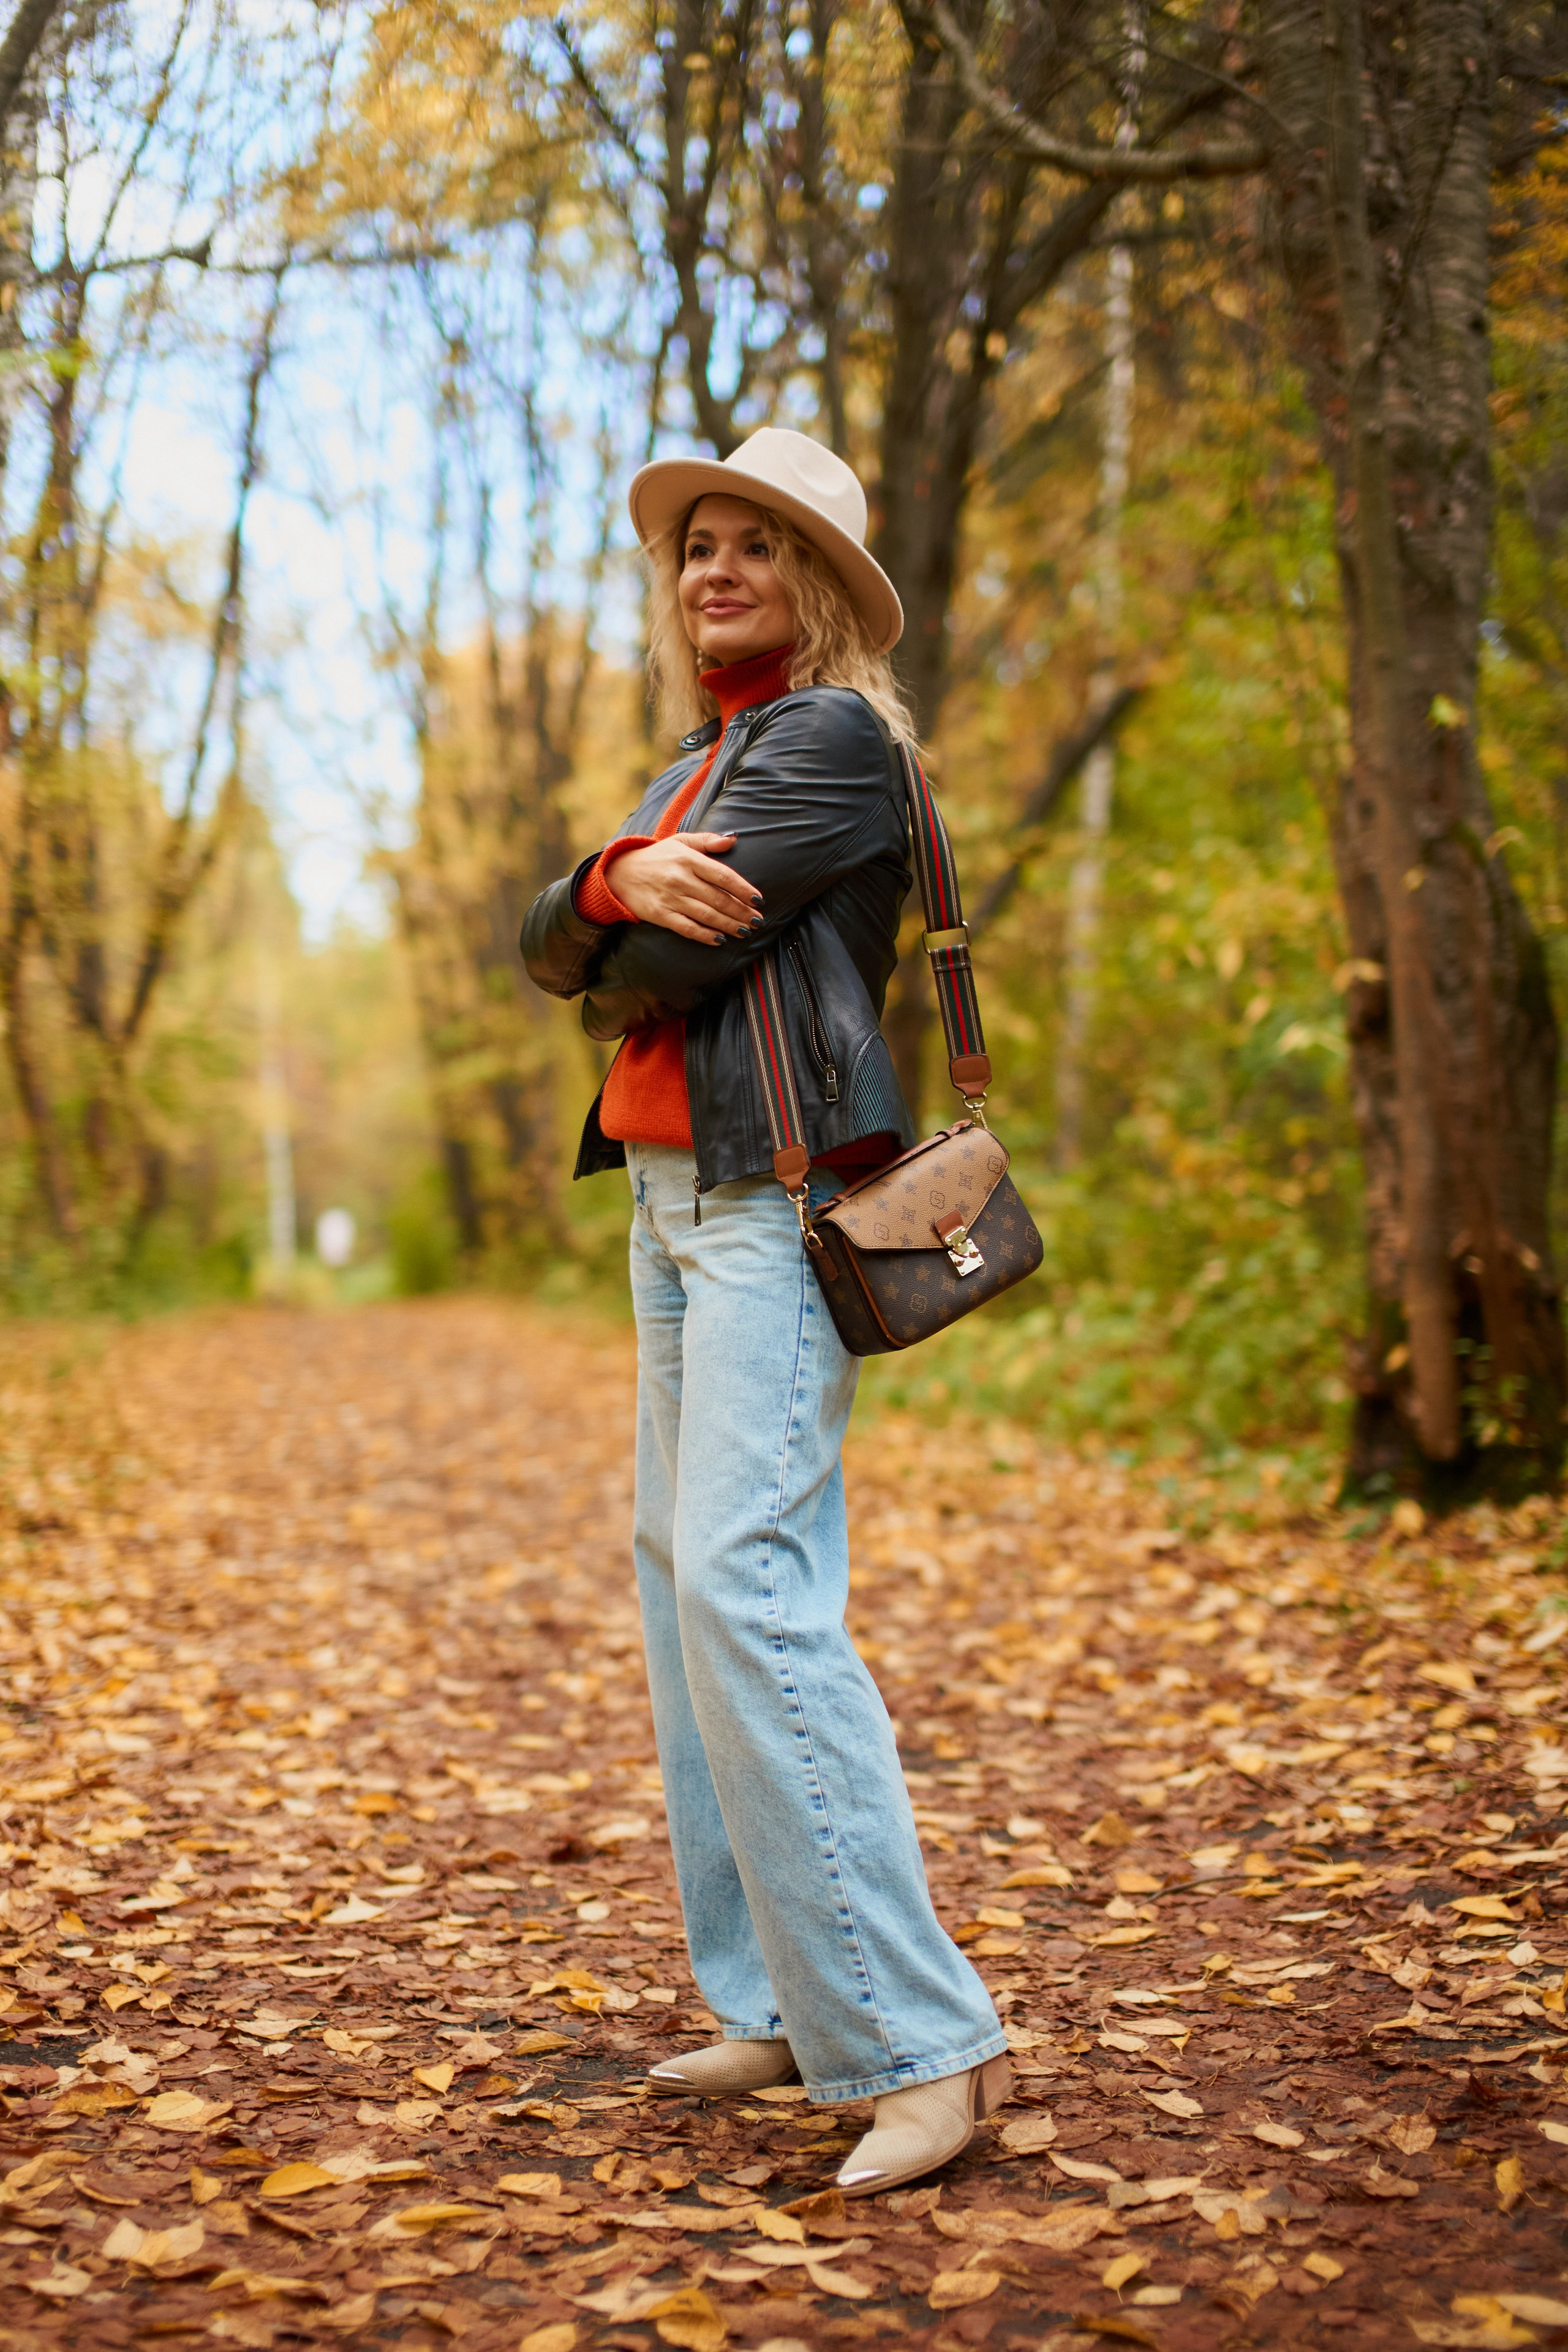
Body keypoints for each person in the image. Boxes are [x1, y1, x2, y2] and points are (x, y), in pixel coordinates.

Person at [521, 428, 1009, 2195]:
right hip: (671, 1197)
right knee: (683, 1580)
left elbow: (645, 975)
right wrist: (596, 880)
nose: (713, 567)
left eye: (754, 545)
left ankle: (922, 2045)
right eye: (695, 545)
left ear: (816, 587)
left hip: (775, 1198)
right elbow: (552, 942)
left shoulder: (828, 740)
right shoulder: (696, 756)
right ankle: (780, 2000)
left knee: (746, 1576)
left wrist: (614, 905)